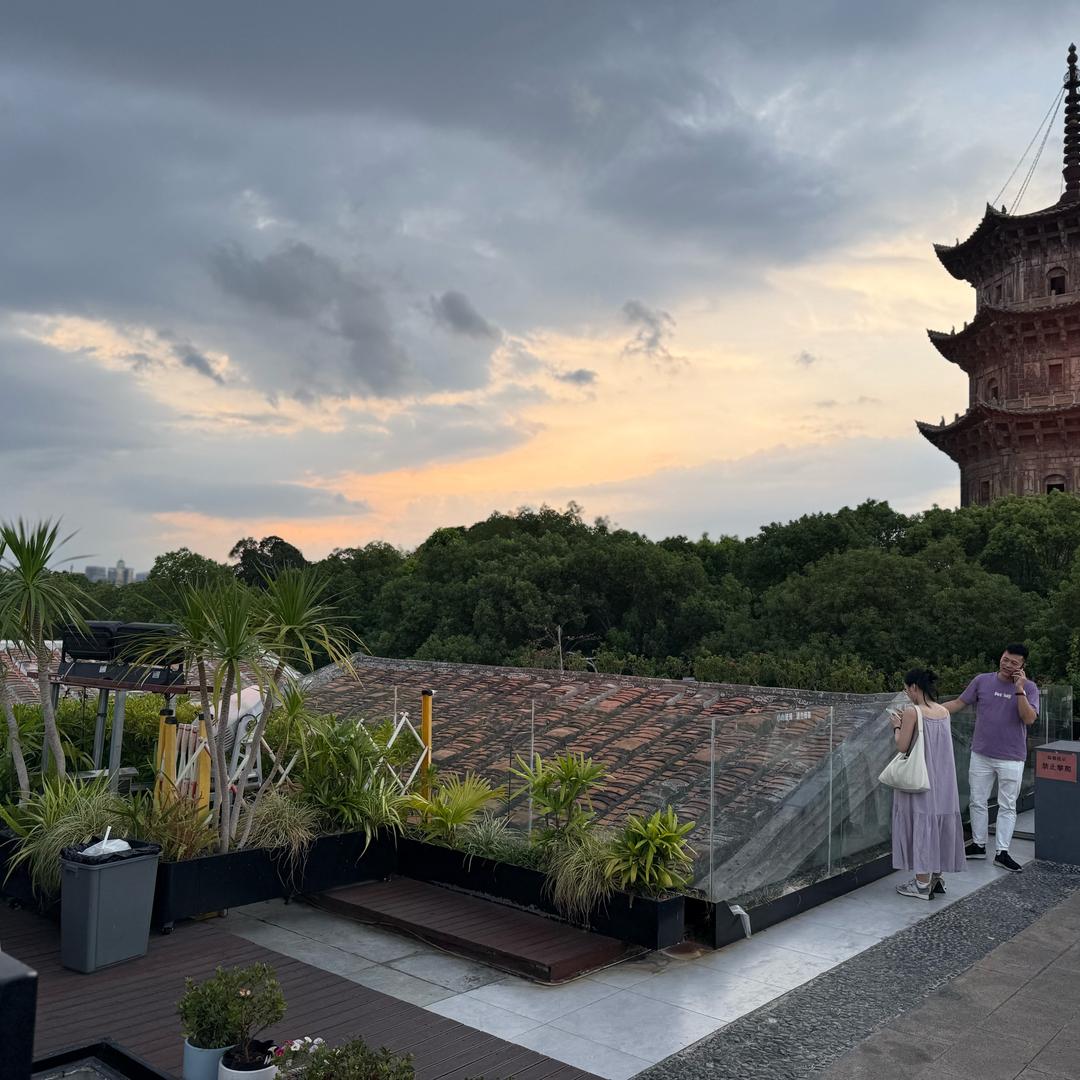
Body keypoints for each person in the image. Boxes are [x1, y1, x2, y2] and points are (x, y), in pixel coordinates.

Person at [942, 644, 1038, 873]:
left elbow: (1029, 718)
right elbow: (958, 703)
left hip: (1012, 757)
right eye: (1005, 659)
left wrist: (1019, 689)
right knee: (977, 800)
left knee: (1007, 805)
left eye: (1014, 663)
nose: (1007, 665)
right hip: (981, 753)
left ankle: (1002, 852)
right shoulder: (982, 681)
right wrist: (928, 711)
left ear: (1022, 666)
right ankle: (978, 844)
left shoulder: (1030, 688)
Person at [890, 668, 966, 900]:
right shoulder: (943, 710)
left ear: (914, 687)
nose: (906, 693)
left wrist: (895, 725)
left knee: (922, 822)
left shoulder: (913, 712)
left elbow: (903, 746)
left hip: (921, 779)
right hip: (943, 779)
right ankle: (936, 878)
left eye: (906, 689)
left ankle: (921, 884)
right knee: (938, 822)